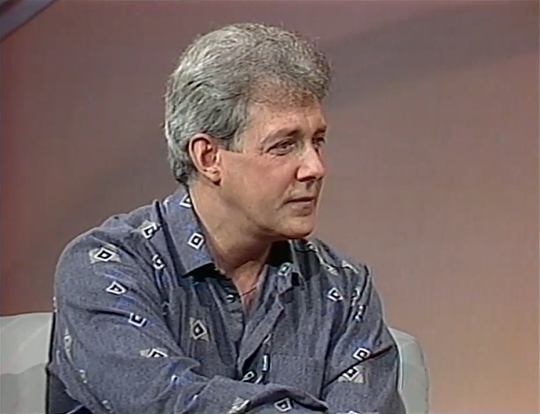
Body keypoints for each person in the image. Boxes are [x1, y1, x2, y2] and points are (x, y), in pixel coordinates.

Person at [46, 22, 405, 414]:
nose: (315, 167)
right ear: (209, 157)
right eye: (284, 145)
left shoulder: (344, 288)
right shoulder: (106, 267)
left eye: (317, 141)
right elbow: (168, 403)